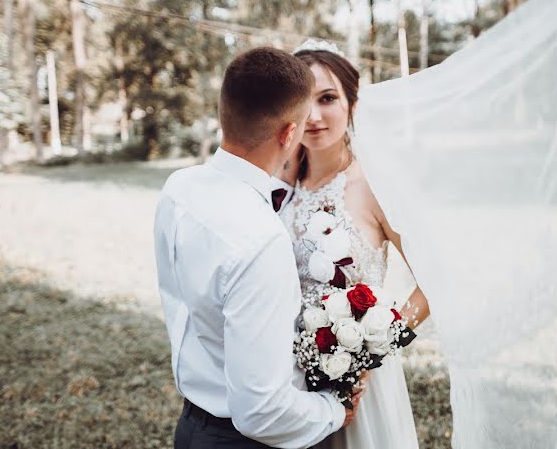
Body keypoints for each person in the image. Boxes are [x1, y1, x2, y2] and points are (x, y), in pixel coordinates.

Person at [153, 47, 363, 449]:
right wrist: (335, 411)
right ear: (289, 134)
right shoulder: (261, 239)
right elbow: (262, 410)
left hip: (193, 426)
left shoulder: (178, 188)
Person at [274, 39, 431, 449]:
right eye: (302, 101)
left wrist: (374, 345)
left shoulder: (375, 187)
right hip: (285, 379)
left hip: (358, 383)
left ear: (352, 105)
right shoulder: (281, 188)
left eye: (327, 98)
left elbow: (434, 280)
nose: (313, 115)